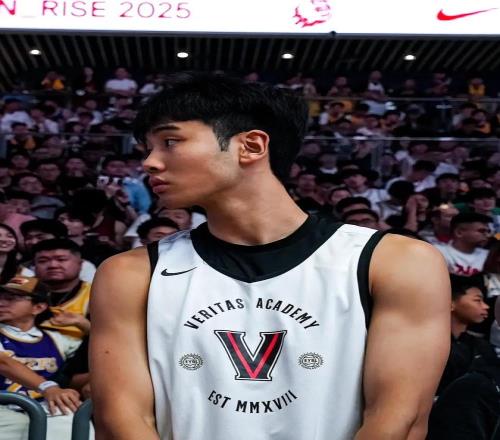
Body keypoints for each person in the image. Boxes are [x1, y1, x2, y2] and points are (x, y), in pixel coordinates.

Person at [90, 73, 450, 440]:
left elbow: (397, 420)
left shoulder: (395, 262)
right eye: (146, 149)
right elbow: (120, 420)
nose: (149, 163)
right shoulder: (130, 274)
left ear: (251, 146)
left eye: (170, 142)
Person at [0, 275, 87, 440]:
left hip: (45, 405)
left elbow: (101, 347)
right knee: (17, 424)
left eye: (11, 298)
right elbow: (3, 362)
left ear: (38, 307)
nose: (1, 303)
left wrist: (83, 324)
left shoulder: (56, 339)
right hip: (3, 406)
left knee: (71, 415)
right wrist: (48, 387)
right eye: (0, 297)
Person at [32, 239, 91, 341]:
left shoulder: (98, 294)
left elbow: (112, 337)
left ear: (80, 264)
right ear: (34, 266)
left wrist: (83, 323)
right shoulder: (20, 291)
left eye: (61, 259)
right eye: (43, 261)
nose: (53, 265)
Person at [19, 219, 96, 283]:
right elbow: (16, 291)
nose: (33, 242)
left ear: (59, 238)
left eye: (40, 237)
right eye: (28, 238)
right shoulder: (23, 267)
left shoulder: (84, 266)